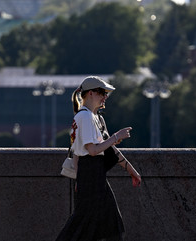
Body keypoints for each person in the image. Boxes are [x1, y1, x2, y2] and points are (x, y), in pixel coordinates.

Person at [56, 76, 142, 241]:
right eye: (101, 92)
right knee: (86, 224)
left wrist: (131, 170)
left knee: (105, 222)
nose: (105, 97)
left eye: (106, 93)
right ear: (89, 94)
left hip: (93, 176)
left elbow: (104, 150)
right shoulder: (85, 117)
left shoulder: (95, 117)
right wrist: (116, 136)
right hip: (91, 175)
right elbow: (93, 150)